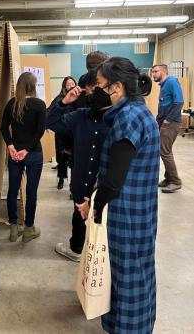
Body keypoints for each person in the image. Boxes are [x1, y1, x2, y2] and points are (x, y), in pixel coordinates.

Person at [76, 57, 160, 334]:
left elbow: (114, 180)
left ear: (117, 87)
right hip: (140, 210)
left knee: (128, 279)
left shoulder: (128, 117)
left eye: (100, 85)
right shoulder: (138, 110)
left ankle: (130, 329)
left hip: (126, 214)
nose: (96, 91)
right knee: (135, 273)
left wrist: (95, 207)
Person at [46, 69, 109, 262]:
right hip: (81, 182)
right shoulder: (81, 115)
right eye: (87, 93)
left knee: (103, 222)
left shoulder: (117, 118)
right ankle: (76, 248)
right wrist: (64, 102)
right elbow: (50, 122)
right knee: (79, 217)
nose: (89, 98)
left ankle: (99, 255)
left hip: (104, 185)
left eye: (91, 92)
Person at [0, 72, 46, 242]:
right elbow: (39, 131)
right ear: (33, 86)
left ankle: (13, 229)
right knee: (31, 192)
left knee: (12, 190)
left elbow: (3, 128)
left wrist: (11, 146)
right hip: (33, 153)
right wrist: (26, 150)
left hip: (14, 154)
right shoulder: (40, 105)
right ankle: (28, 229)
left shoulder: (12, 104)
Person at [152, 64, 184, 193]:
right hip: (164, 123)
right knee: (166, 151)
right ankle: (169, 178)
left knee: (164, 152)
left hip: (171, 123)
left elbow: (179, 102)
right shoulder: (164, 85)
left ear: (164, 71)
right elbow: (164, 105)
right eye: (153, 72)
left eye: (155, 71)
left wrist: (168, 120)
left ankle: (175, 181)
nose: (153, 74)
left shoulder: (171, 82)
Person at [49, 76, 77, 190]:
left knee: (75, 160)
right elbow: (51, 112)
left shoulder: (78, 98)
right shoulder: (59, 99)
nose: (70, 86)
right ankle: (61, 178)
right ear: (64, 86)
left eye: (72, 83)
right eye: (68, 84)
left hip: (74, 134)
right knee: (61, 159)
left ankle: (73, 184)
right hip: (61, 133)